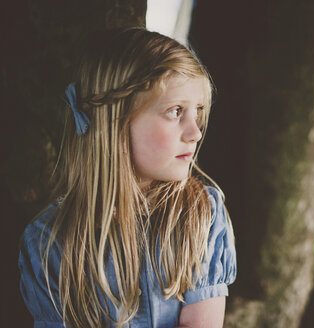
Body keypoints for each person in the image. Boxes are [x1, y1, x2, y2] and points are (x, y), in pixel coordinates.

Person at [18, 27, 236, 328]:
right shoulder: (48, 243)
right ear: (116, 123)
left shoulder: (200, 215)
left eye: (197, 111)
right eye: (175, 112)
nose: (195, 133)